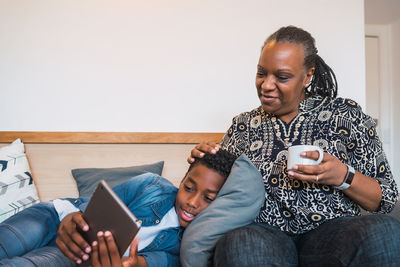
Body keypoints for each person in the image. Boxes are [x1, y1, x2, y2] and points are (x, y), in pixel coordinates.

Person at [189, 26, 400, 266]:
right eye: (261, 73)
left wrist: (343, 176)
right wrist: (204, 161)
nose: (267, 85)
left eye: (281, 77)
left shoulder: (346, 115)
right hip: (263, 235)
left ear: (307, 75)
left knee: (383, 231)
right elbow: (219, 189)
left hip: (332, 235)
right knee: (240, 242)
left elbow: (385, 199)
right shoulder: (243, 125)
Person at [0, 149, 236, 267]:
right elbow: (93, 206)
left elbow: (147, 263)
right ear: (182, 179)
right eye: (189, 188)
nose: (192, 203)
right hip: (55, 216)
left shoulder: (187, 246)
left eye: (209, 198)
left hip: (83, 252)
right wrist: (71, 215)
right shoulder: (150, 184)